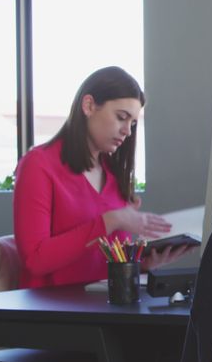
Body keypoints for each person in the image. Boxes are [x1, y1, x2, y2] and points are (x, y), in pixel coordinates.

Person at [13, 66, 192, 289]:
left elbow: (102, 264)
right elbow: (35, 260)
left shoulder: (114, 176)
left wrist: (142, 264)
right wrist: (111, 220)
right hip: (55, 311)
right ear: (88, 106)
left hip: (107, 306)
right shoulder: (38, 165)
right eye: (121, 117)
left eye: (133, 123)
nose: (127, 131)